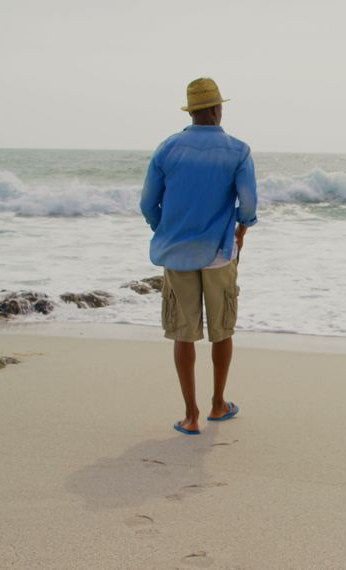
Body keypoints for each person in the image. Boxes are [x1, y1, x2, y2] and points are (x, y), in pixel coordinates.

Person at [140, 77, 258, 436]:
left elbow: (148, 204)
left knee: (183, 335)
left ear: (191, 112)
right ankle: (218, 404)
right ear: (218, 109)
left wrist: (166, 230)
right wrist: (241, 229)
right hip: (220, 253)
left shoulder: (167, 149)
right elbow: (248, 203)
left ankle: (190, 415)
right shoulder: (238, 150)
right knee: (221, 333)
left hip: (178, 254)